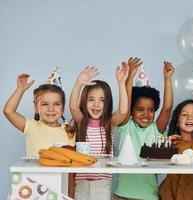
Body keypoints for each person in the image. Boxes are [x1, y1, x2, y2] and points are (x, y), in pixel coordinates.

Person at [114, 57, 175, 200]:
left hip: (149, 196)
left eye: (151, 110)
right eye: (140, 109)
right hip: (122, 195)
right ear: (132, 110)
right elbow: (125, 106)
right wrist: (130, 77)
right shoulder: (125, 126)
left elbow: (167, 109)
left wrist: (167, 79)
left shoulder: (156, 129)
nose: (146, 114)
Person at [69, 64, 129, 200]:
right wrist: (78, 84)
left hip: (103, 183)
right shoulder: (81, 121)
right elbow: (73, 107)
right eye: (91, 99)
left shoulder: (110, 123)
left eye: (102, 100)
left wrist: (121, 83)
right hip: (81, 182)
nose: (96, 104)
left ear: (107, 103)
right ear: (84, 101)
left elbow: (123, 111)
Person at [3, 73, 75, 156]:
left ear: (63, 107)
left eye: (56, 104)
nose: (51, 109)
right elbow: (8, 111)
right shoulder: (31, 127)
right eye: (45, 104)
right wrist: (20, 89)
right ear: (36, 107)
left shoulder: (70, 131)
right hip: (34, 169)